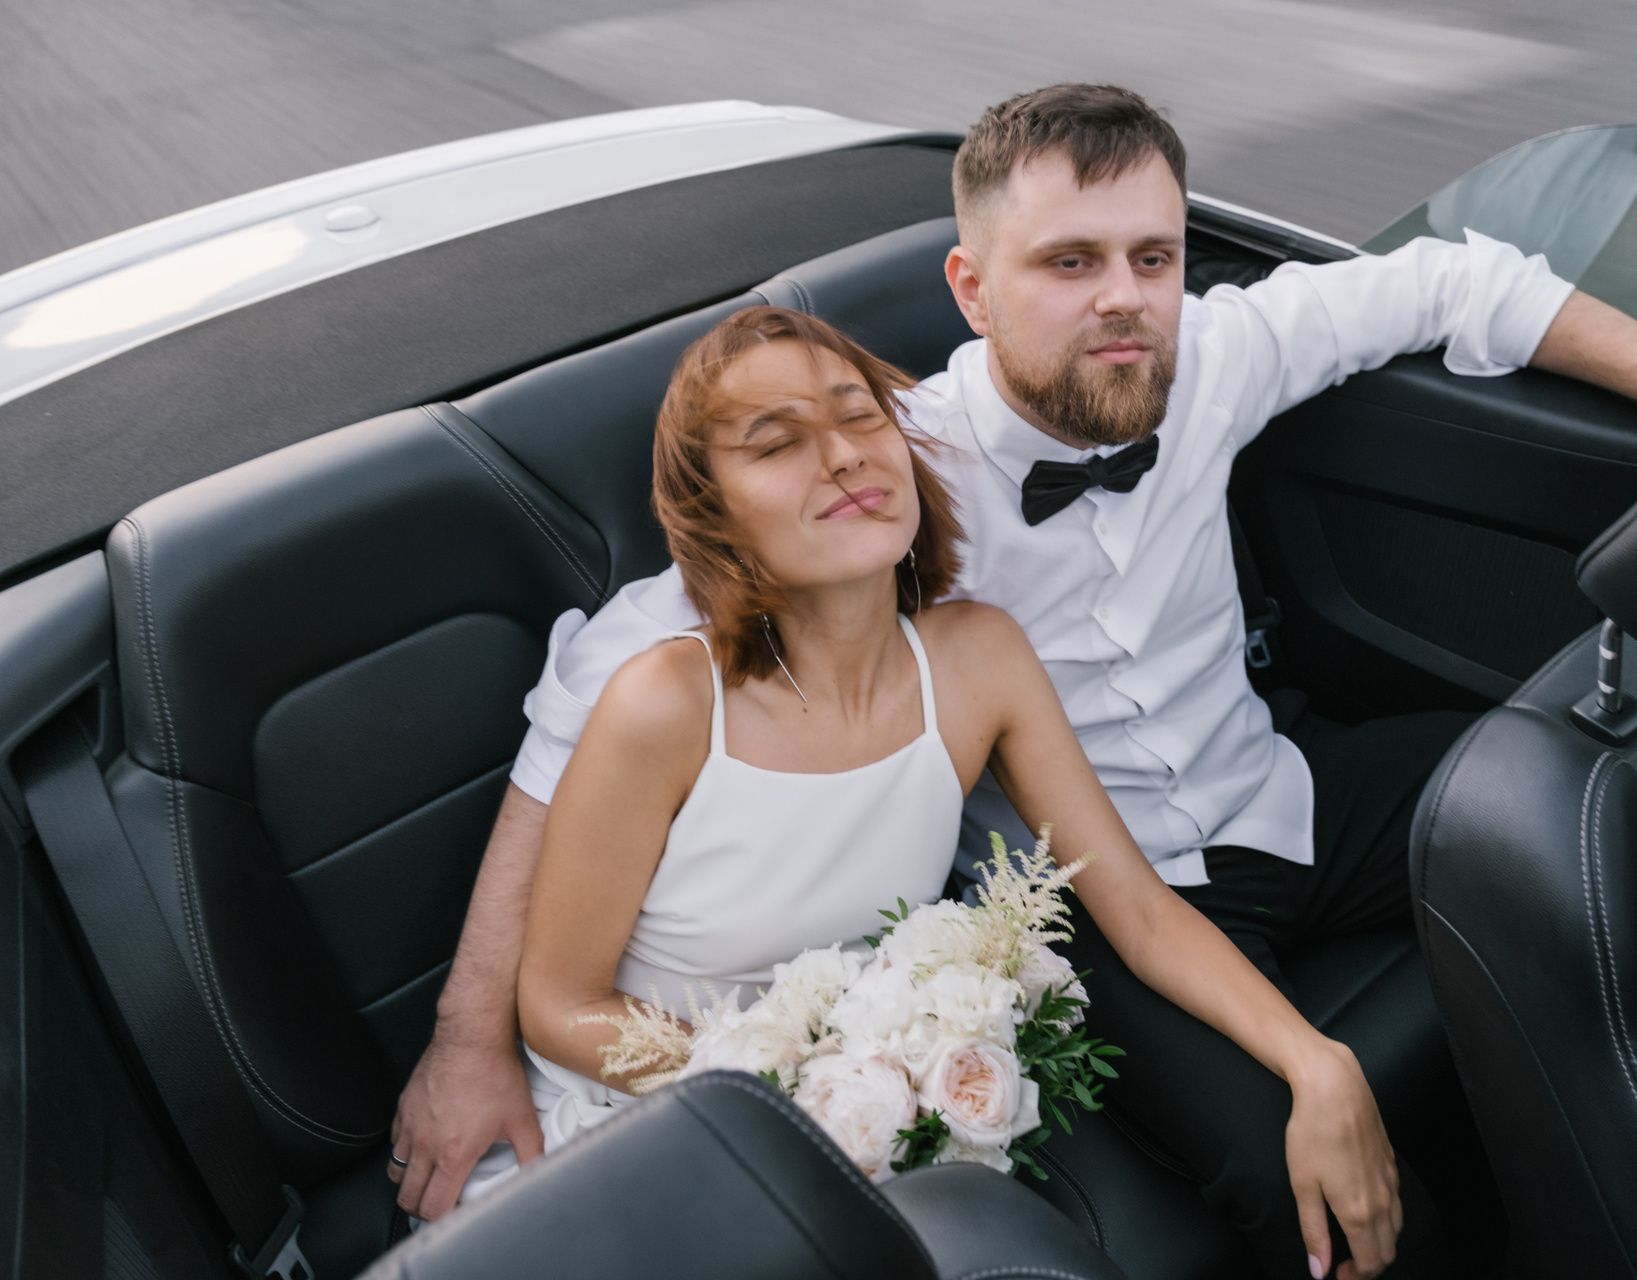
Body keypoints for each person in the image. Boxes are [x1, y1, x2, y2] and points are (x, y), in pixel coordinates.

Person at [390, 84, 1637, 1277]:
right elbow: (595, 694)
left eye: (1152, 256)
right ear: (973, 288)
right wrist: (467, 1033)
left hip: (1276, 786)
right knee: (1293, 1185)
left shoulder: (1210, 352)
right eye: (1070, 262)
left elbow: (1455, 283)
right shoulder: (884, 473)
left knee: (1601, 785)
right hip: (1085, 895)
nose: (1124, 297)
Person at [455, 306, 1404, 1277]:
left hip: (879, 1114)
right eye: (777, 443)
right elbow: (559, 1006)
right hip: (657, 1118)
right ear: (715, 515)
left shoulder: (980, 659)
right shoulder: (663, 702)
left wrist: (1313, 1060)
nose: (841, 455)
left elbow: (1140, 910)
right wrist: (808, 1090)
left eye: (859, 417)